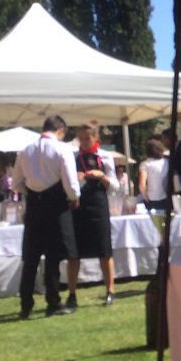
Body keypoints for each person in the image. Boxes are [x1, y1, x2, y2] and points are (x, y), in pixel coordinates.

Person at [11, 115, 80, 319]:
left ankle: (26, 304)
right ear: (60, 130)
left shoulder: (25, 150)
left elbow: (15, 183)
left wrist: (31, 192)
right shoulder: (62, 149)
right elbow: (70, 180)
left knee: (31, 256)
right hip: (56, 204)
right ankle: (53, 301)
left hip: (34, 204)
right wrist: (74, 197)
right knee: (53, 255)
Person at [65, 121, 119, 308]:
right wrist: (76, 177)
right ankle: (71, 294)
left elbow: (115, 186)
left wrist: (101, 176)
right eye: (80, 138)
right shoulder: (72, 156)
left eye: (87, 138)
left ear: (95, 138)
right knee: (74, 253)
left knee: (104, 250)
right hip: (77, 206)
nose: (84, 142)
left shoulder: (104, 156)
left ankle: (110, 291)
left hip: (98, 206)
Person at [138, 138, 169, 210]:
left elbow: (142, 184)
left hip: (151, 198)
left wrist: (145, 196)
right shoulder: (167, 162)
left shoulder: (145, 164)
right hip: (165, 197)